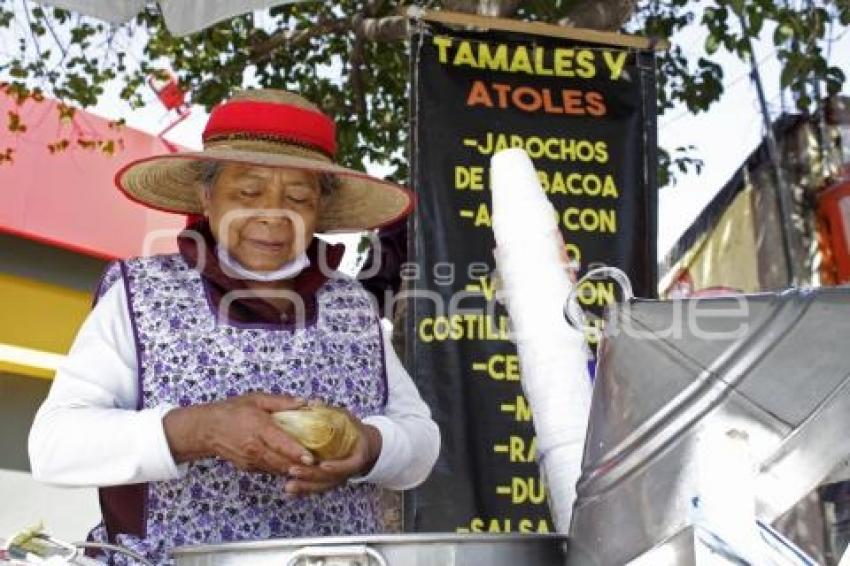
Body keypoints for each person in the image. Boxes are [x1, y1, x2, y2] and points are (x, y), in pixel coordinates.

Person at [28, 89, 440, 564]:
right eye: (248, 192)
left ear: (320, 211)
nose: (273, 214)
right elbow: (55, 445)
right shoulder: (141, 293)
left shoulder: (351, 304)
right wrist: (198, 430)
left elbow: (422, 442)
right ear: (207, 196)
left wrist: (368, 446)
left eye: (299, 197)